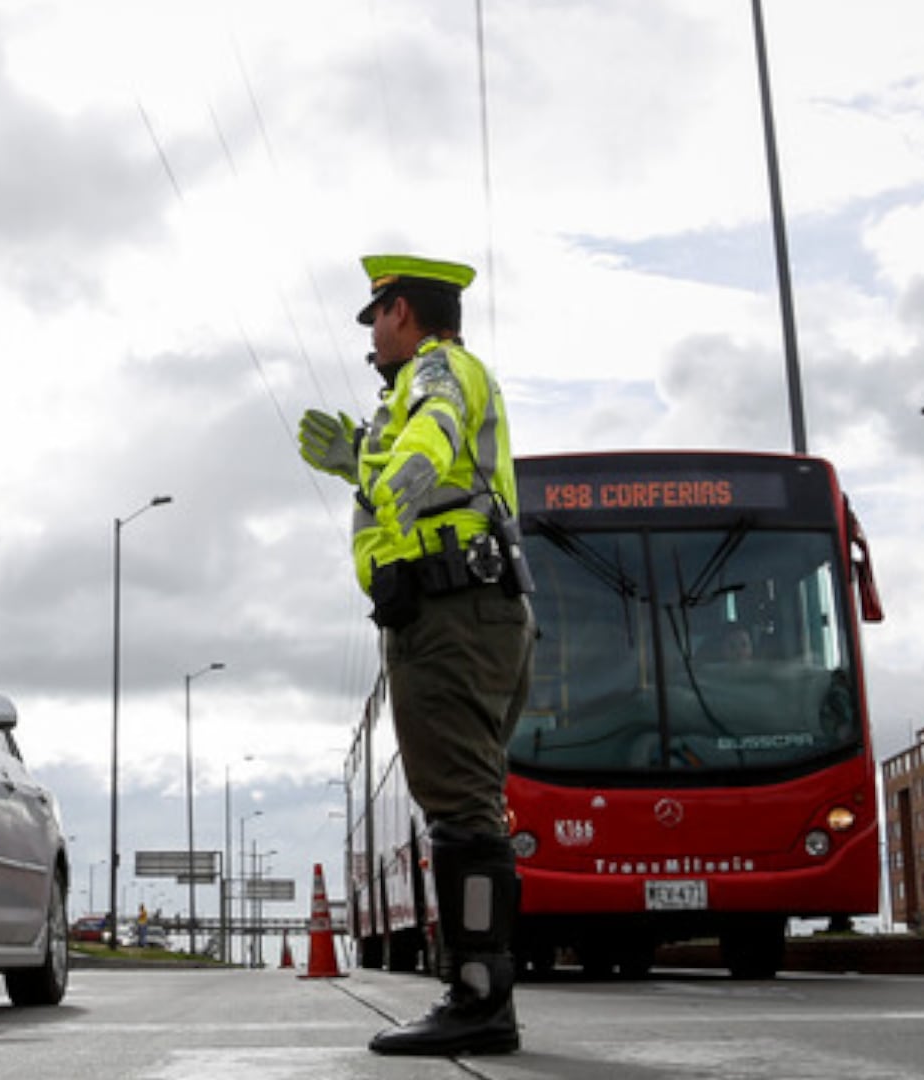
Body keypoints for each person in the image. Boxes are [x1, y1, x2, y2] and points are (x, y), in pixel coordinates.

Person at [298, 254, 536, 1057]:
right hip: (471, 608)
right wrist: (356, 459)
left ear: (400, 311)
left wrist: (410, 458)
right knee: (469, 800)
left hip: (450, 614)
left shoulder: (438, 369)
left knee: (461, 807)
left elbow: (434, 427)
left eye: (375, 319)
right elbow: (419, 453)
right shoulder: (428, 386)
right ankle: (479, 990)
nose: (373, 338)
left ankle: (477, 1001)